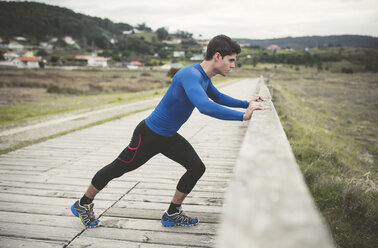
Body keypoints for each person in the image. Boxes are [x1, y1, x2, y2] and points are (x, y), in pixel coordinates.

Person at [71, 34, 268, 228]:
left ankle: (172, 213)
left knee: (196, 168)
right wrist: (243, 116)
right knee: (117, 168)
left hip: (167, 136)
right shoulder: (190, 75)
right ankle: (83, 204)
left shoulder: (203, 77)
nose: (233, 65)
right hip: (148, 135)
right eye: (231, 60)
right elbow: (205, 106)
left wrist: (246, 104)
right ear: (217, 56)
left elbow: (216, 97)